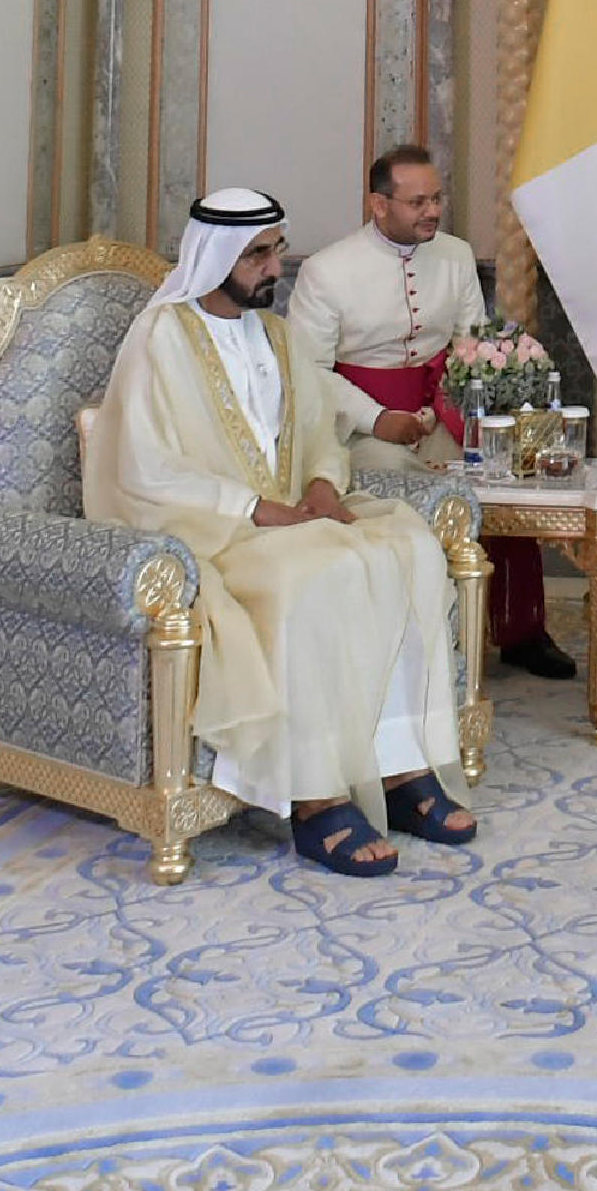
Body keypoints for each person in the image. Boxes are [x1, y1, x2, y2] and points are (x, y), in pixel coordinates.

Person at [88, 187, 478, 876]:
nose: (275, 268)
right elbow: (144, 466)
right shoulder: (160, 337)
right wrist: (255, 509)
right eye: (257, 256)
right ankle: (315, 797)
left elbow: (318, 431)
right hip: (210, 535)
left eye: (277, 250)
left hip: (294, 518)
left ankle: (398, 766)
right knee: (317, 575)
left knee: (411, 550)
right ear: (214, 258)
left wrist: (323, 483)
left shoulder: (275, 335)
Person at [291, 145, 578, 682]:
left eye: (437, 199)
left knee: (498, 478)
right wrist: (377, 418)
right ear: (379, 205)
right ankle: (424, 638)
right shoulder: (326, 271)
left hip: (442, 412)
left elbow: (471, 343)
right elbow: (308, 370)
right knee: (404, 496)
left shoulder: (455, 255)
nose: (432, 211)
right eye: (417, 202)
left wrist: (458, 408)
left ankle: (521, 630)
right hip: (362, 427)